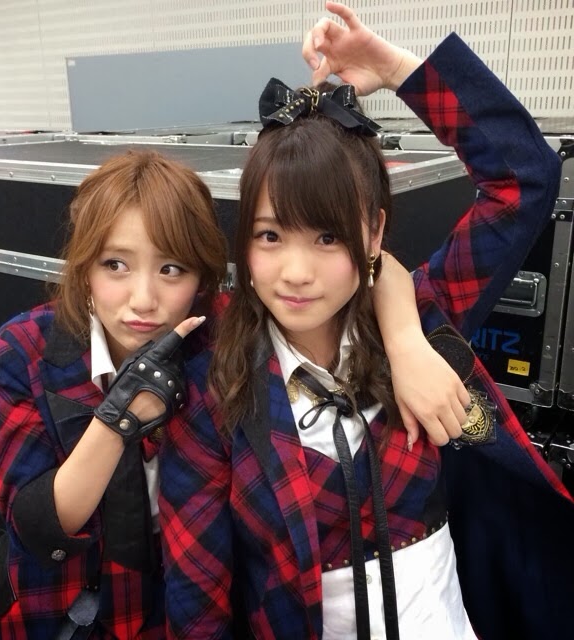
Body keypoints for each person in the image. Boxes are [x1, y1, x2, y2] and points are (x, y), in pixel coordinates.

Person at [159, 3, 574, 640]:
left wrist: (396, 69)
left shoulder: (426, 320)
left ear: (374, 232)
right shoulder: (215, 378)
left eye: (328, 237)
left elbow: (524, 178)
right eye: (270, 235)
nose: (296, 272)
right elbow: (198, 596)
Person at [0, 146, 459, 639]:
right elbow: (36, 527)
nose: (143, 300)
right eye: (115, 265)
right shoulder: (20, 354)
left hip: (174, 614)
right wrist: (120, 418)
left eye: (171, 269)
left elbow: (368, 264)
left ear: (203, 279)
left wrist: (404, 336)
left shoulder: (219, 342)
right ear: (84, 267)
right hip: (56, 616)